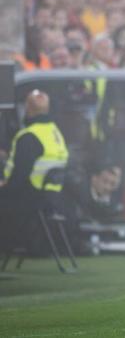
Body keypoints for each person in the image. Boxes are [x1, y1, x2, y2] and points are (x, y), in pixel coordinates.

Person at [0, 90, 69, 252]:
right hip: (52, 196)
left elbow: (20, 176)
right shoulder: (54, 131)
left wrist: (4, 185)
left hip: (30, 197)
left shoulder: (28, 136)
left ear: (27, 108)